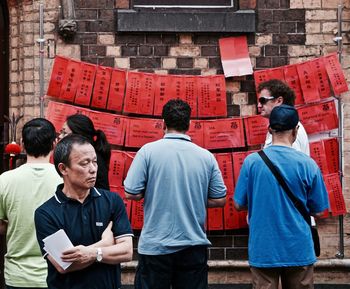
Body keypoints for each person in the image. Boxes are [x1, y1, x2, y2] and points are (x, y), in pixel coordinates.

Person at [124, 99, 227, 289]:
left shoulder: (148, 152)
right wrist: (192, 196)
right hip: (193, 246)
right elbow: (220, 199)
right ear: (189, 124)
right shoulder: (206, 156)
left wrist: (155, 191)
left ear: (163, 123)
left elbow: (131, 193)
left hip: (155, 247)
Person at [234, 105, 329, 289]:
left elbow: (238, 204)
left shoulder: (252, 162)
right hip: (299, 247)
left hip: (264, 248)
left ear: (270, 129)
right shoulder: (308, 165)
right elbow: (319, 210)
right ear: (296, 130)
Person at [34, 134, 133, 289]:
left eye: (94, 162)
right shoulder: (46, 213)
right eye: (84, 163)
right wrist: (105, 244)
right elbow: (64, 265)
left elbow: (126, 252)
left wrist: (92, 253)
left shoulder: (112, 201)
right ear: (63, 168)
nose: (93, 169)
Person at [0, 118, 62, 289]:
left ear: (22, 144)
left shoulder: (5, 180)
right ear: (54, 143)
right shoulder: (64, 180)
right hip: (56, 272)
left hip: (17, 275)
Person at [58, 113, 111, 190]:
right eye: (61, 132)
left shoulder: (93, 158)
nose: (60, 136)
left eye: (64, 133)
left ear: (78, 135)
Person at [258, 79, 310, 155]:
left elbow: (289, 163)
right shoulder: (277, 126)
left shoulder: (290, 129)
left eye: (263, 100)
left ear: (279, 101)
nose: (259, 105)